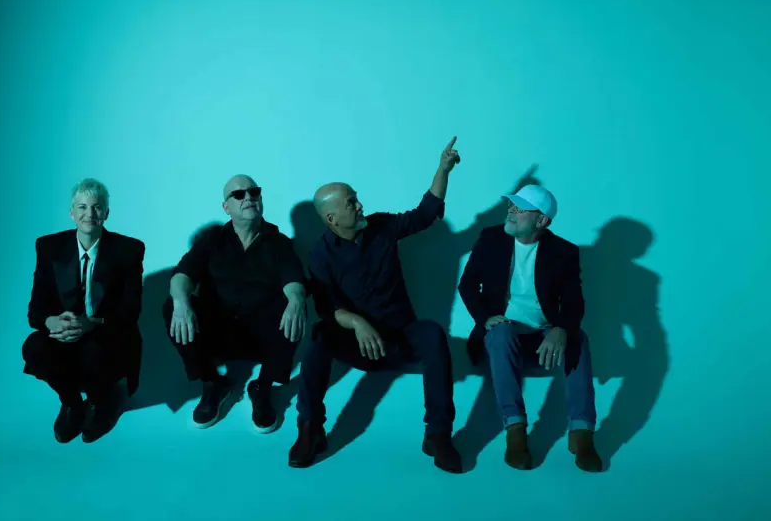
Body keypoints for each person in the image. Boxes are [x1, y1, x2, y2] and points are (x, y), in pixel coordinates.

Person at [288, 137, 464, 473]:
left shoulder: (381, 226)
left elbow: (425, 215)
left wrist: (443, 170)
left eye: (356, 199)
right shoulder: (321, 255)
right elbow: (328, 308)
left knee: (432, 333)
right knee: (321, 335)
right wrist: (357, 322)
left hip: (400, 338)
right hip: (358, 347)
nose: (360, 206)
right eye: (351, 203)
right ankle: (310, 430)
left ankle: (438, 434)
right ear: (331, 217)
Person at [458, 183, 603, 472]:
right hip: (502, 335)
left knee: (578, 337)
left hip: (541, 338)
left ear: (542, 221)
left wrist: (561, 329)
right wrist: (486, 318)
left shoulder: (564, 251)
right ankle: (515, 429)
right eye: (511, 205)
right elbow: (468, 285)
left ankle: (581, 432)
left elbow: (574, 301)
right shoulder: (491, 238)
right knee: (500, 331)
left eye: (521, 208)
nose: (511, 210)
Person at [164, 175, 308, 433]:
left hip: (261, 337)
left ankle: (262, 387)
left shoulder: (278, 242)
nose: (248, 197)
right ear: (226, 207)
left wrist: (296, 300)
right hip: (217, 334)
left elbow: (293, 280)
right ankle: (212, 384)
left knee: (296, 305)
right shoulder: (213, 239)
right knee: (172, 305)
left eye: (254, 192)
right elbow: (182, 274)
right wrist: (181, 302)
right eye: (239, 194)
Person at [23, 178, 146, 444]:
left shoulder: (129, 250)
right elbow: (35, 311)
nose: (89, 214)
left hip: (107, 332)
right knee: (34, 348)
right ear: (72, 213)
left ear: (106, 213)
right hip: (66, 333)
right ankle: (71, 403)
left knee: (95, 353)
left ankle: (103, 402)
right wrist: (52, 321)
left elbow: (130, 312)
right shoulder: (49, 247)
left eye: (97, 207)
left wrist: (92, 323)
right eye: (82, 207)